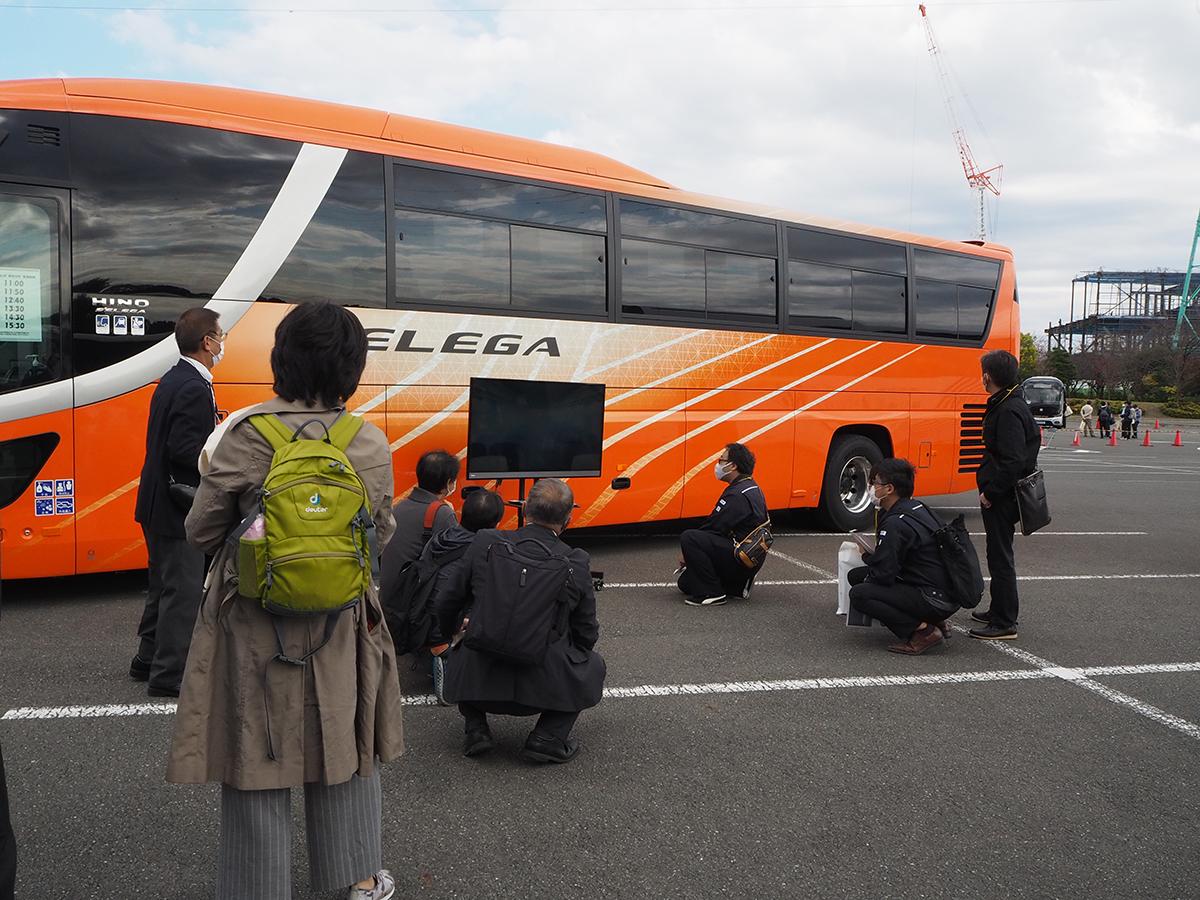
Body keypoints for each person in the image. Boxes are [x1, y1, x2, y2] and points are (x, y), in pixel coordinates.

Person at [166, 302, 403, 900]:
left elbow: (199, 530)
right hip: (340, 625)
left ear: (281, 360)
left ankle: (255, 889)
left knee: (256, 753)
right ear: (352, 367)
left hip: (252, 621)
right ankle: (357, 881)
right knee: (342, 748)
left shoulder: (246, 436)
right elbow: (381, 534)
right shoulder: (368, 441)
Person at [436, 478, 606, 764]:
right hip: (543, 684)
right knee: (594, 664)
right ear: (568, 517)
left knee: (463, 646)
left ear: (525, 508)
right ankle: (548, 737)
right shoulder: (575, 560)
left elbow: (446, 600)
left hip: (477, 678)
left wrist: (451, 635)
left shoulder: (485, 542)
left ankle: (476, 728)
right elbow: (586, 630)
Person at [130, 307, 222, 698]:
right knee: (182, 591)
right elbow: (185, 449)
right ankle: (169, 675)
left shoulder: (174, 378)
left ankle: (146, 660)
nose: (222, 342)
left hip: (155, 502)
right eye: (220, 335)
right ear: (207, 342)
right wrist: (218, 444)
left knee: (162, 585)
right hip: (176, 506)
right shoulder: (192, 386)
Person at [395, 488, 506, 703]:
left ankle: (440, 648)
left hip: (416, 618)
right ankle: (446, 653)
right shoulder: (481, 551)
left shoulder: (441, 538)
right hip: (442, 626)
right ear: (495, 524)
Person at [847, 459, 955, 655]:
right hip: (946, 590)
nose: (870, 487)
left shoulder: (895, 523)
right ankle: (934, 620)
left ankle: (923, 631)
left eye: (873, 483)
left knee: (860, 594)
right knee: (856, 576)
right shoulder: (917, 508)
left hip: (934, 597)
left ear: (889, 489)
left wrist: (866, 556)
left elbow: (883, 575)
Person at [970, 350, 1040, 641]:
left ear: (989, 375)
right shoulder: (1010, 402)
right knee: (997, 553)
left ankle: (1004, 620)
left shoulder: (1009, 409)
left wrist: (991, 492)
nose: (982, 377)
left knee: (1000, 556)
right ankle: (999, 609)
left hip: (1003, 495)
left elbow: (1012, 460)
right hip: (1004, 492)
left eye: (983, 371)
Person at [381, 449, 461, 692]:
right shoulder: (442, 513)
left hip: (390, 604)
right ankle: (440, 647)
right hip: (413, 611)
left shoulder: (400, 507)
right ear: (449, 483)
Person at [677, 442, 768, 606]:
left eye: (721, 460)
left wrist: (687, 552)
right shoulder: (749, 486)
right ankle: (736, 586)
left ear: (732, 465)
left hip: (740, 556)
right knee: (685, 583)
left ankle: (712, 593)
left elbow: (714, 526)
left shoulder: (737, 494)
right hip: (747, 556)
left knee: (690, 538)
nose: (718, 465)